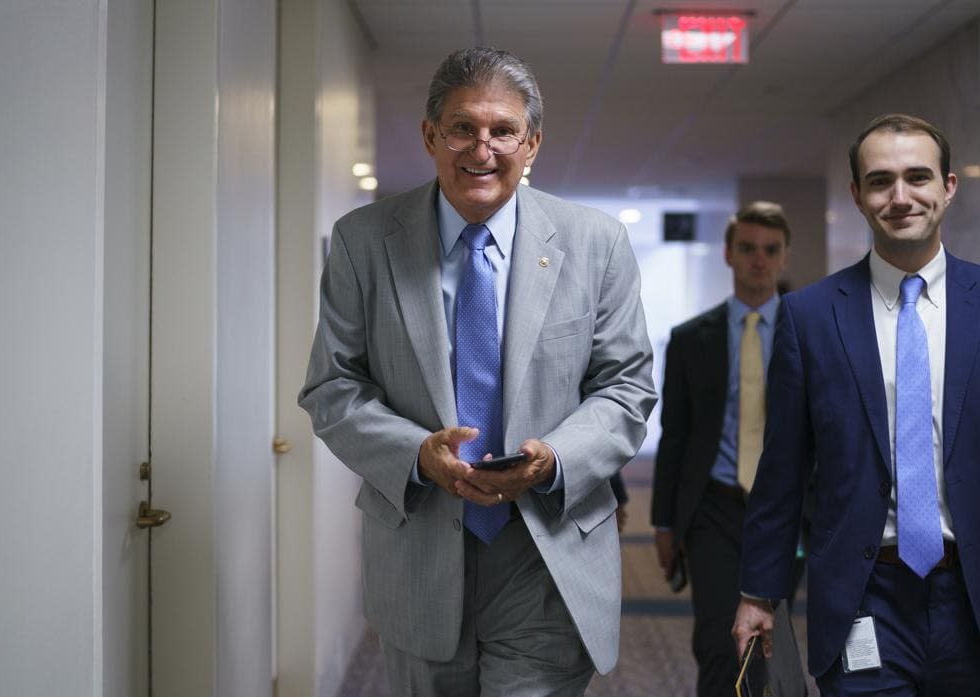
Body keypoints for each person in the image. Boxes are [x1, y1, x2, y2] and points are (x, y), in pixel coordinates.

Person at [298, 47, 656, 696]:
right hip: (420, 539)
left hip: (546, 544)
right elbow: (333, 386)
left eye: (503, 131)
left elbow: (625, 383)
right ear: (431, 135)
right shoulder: (363, 241)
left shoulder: (595, 242)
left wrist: (554, 456)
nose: (481, 148)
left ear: (533, 143)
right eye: (463, 127)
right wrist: (416, 452)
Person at [733, 114, 980, 695]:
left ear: (948, 186)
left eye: (918, 177)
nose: (900, 197)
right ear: (857, 196)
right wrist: (757, 593)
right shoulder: (811, 316)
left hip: (971, 596)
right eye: (880, 181)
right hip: (864, 594)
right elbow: (783, 468)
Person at [651, 201, 791, 697]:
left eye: (771, 250)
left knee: (778, 638)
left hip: (784, 510)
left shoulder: (809, 334)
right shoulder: (692, 340)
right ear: (729, 254)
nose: (760, 260)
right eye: (749, 249)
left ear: (784, 257)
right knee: (716, 637)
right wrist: (664, 522)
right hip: (715, 505)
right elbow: (674, 435)